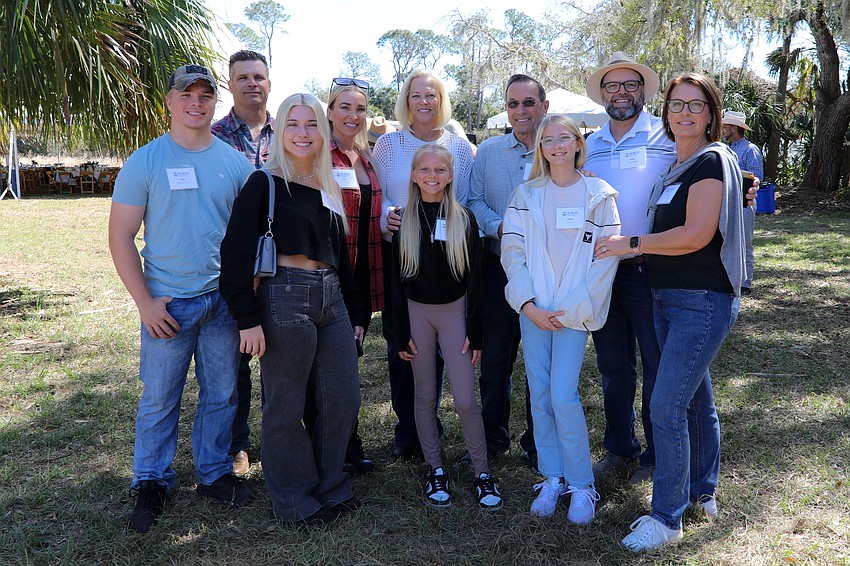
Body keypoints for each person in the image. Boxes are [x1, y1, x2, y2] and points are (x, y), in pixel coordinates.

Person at [595, 73, 744, 552]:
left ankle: (666, 518)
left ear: (711, 114)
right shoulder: (677, 165)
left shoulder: (711, 161)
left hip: (701, 299)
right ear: (666, 112)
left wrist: (631, 243)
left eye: (696, 105)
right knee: (695, 398)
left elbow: (696, 235)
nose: (685, 113)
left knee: (665, 404)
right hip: (666, 295)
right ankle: (702, 491)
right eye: (677, 104)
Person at [109, 64, 256, 533]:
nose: (196, 103)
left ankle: (213, 473)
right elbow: (121, 236)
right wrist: (145, 303)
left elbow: (253, 237)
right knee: (160, 397)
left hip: (222, 302)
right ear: (169, 102)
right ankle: (151, 480)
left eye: (205, 95)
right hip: (167, 304)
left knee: (222, 393)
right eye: (186, 94)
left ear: (215, 102)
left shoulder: (236, 164)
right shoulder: (146, 161)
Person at [219, 93, 366, 526]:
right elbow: (234, 255)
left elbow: (342, 256)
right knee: (285, 404)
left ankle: (331, 484)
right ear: (280, 130)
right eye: (294, 124)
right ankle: (294, 499)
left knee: (343, 397)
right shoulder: (263, 183)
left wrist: (357, 312)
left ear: (323, 131)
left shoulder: (329, 186)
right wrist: (247, 319)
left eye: (311, 124)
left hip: (332, 298)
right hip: (284, 295)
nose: (303, 133)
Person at [501, 114, 621, 524]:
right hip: (534, 311)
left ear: (577, 144)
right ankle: (552, 476)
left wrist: (572, 308)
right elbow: (512, 252)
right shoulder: (525, 194)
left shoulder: (600, 195)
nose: (556, 146)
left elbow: (605, 258)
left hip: (574, 312)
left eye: (564, 138)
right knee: (539, 393)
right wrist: (528, 304)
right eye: (548, 139)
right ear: (541, 148)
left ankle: (582, 484)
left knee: (562, 395)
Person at [391, 144, 501, 510]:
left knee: (466, 399)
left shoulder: (464, 219)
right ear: (413, 174)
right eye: (425, 169)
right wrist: (398, 332)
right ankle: (435, 468)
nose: (432, 176)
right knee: (425, 395)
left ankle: (482, 472)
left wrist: (476, 331)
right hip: (417, 314)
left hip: (455, 313)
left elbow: (475, 280)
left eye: (440, 170)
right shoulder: (403, 219)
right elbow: (395, 284)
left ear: (451, 176)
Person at [373, 69, 475, 459]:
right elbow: (379, 195)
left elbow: (464, 199)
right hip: (402, 253)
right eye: (416, 95)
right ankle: (408, 428)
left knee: (442, 347)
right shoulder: (389, 144)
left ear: (442, 100)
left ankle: (431, 421)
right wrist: (387, 216)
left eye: (431, 95)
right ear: (406, 101)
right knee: (404, 343)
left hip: (447, 260)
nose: (424, 102)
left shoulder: (459, 146)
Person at [583, 52, 674, 485]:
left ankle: (656, 455)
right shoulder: (589, 144)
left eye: (630, 85)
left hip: (650, 267)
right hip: (603, 270)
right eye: (613, 86)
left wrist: (746, 187)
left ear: (643, 91)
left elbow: (705, 169)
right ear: (603, 94)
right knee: (613, 366)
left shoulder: (666, 134)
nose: (621, 93)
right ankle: (620, 449)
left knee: (657, 363)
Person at [468, 73, 549, 470]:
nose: (521, 111)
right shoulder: (488, 151)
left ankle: (538, 442)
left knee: (540, 362)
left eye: (529, 103)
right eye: (513, 103)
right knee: (496, 359)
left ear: (544, 107)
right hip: (498, 268)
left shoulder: (558, 147)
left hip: (546, 272)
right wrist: (502, 227)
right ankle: (492, 437)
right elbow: (473, 201)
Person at [211, 49, 274, 475]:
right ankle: (237, 444)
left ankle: (280, 437)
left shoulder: (290, 131)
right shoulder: (212, 136)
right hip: (232, 266)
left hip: (282, 265)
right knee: (234, 365)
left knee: (282, 360)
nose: (252, 83)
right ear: (230, 85)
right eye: (243, 77)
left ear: (269, 83)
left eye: (259, 76)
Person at [323, 77, 384, 474]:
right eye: (344, 107)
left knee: (349, 360)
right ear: (329, 112)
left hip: (364, 271)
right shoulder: (319, 153)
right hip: (331, 272)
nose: (353, 115)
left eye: (359, 108)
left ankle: (348, 440)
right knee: (327, 363)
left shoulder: (366, 156)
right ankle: (331, 445)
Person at [722, 110, 763, 295]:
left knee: (744, 241)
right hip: (725, 202)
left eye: (725, 126)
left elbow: (757, 176)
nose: (722, 129)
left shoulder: (750, 149)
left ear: (735, 128)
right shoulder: (724, 149)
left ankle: (745, 282)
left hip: (744, 201)